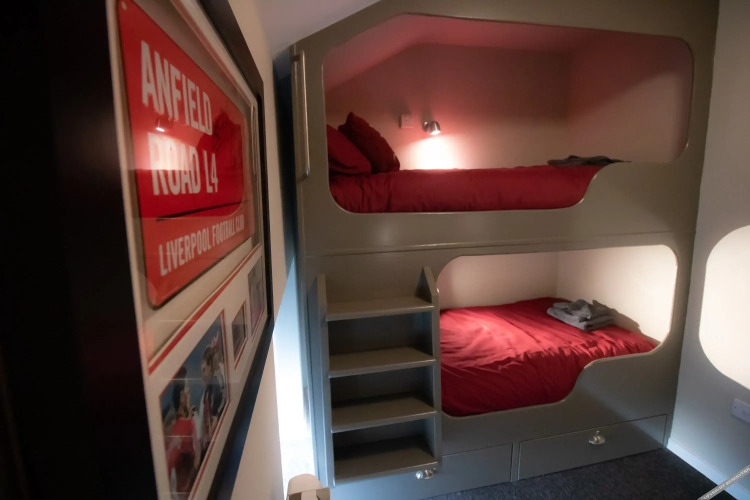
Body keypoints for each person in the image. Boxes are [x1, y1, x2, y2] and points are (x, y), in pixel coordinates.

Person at [165, 367, 200, 499]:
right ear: (182, 398)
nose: (189, 394)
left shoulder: (186, 424)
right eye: (187, 391)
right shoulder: (182, 430)